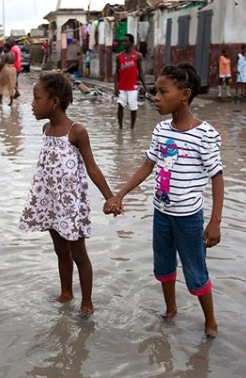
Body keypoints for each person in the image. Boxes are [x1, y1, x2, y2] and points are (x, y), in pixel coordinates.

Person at [104, 62, 224, 338]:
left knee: (195, 273)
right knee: (163, 267)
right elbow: (148, 165)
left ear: (184, 95)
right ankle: (171, 309)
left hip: (189, 219)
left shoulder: (204, 135)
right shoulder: (161, 130)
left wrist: (215, 222)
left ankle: (211, 322)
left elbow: (217, 177)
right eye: (155, 91)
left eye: (162, 92)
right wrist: (120, 194)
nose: (155, 98)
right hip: (162, 214)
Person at [19, 73, 115, 316]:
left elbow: (92, 166)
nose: (32, 104)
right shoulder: (46, 129)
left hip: (70, 205)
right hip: (51, 202)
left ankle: (87, 303)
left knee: (78, 254)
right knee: (60, 251)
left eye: (37, 98)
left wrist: (110, 197)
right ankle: (66, 293)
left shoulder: (76, 131)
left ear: (54, 102)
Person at [114, 33, 147, 129]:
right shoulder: (118, 56)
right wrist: (115, 86)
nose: (123, 43)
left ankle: (132, 128)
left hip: (132, 87)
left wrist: (145, 86)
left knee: (133, 108)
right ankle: (120, 127)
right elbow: (116, 73)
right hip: (122, 86)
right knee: (120, 105)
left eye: (126, 41)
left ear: (131, 43)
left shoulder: (138, 56)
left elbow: (140, 72)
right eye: (123, 41)